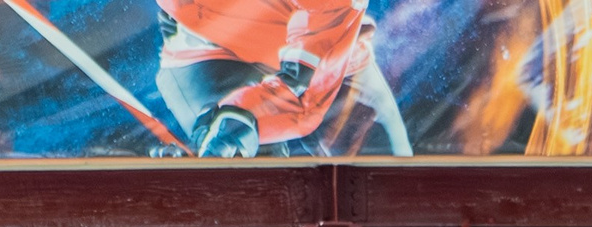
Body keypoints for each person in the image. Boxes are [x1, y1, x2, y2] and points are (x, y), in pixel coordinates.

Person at [153, 0, 412, 158]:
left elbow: (305, 99)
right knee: (247, 173)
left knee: (393, 185)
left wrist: (240, 117)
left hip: (329, 55)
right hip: (208, 48)